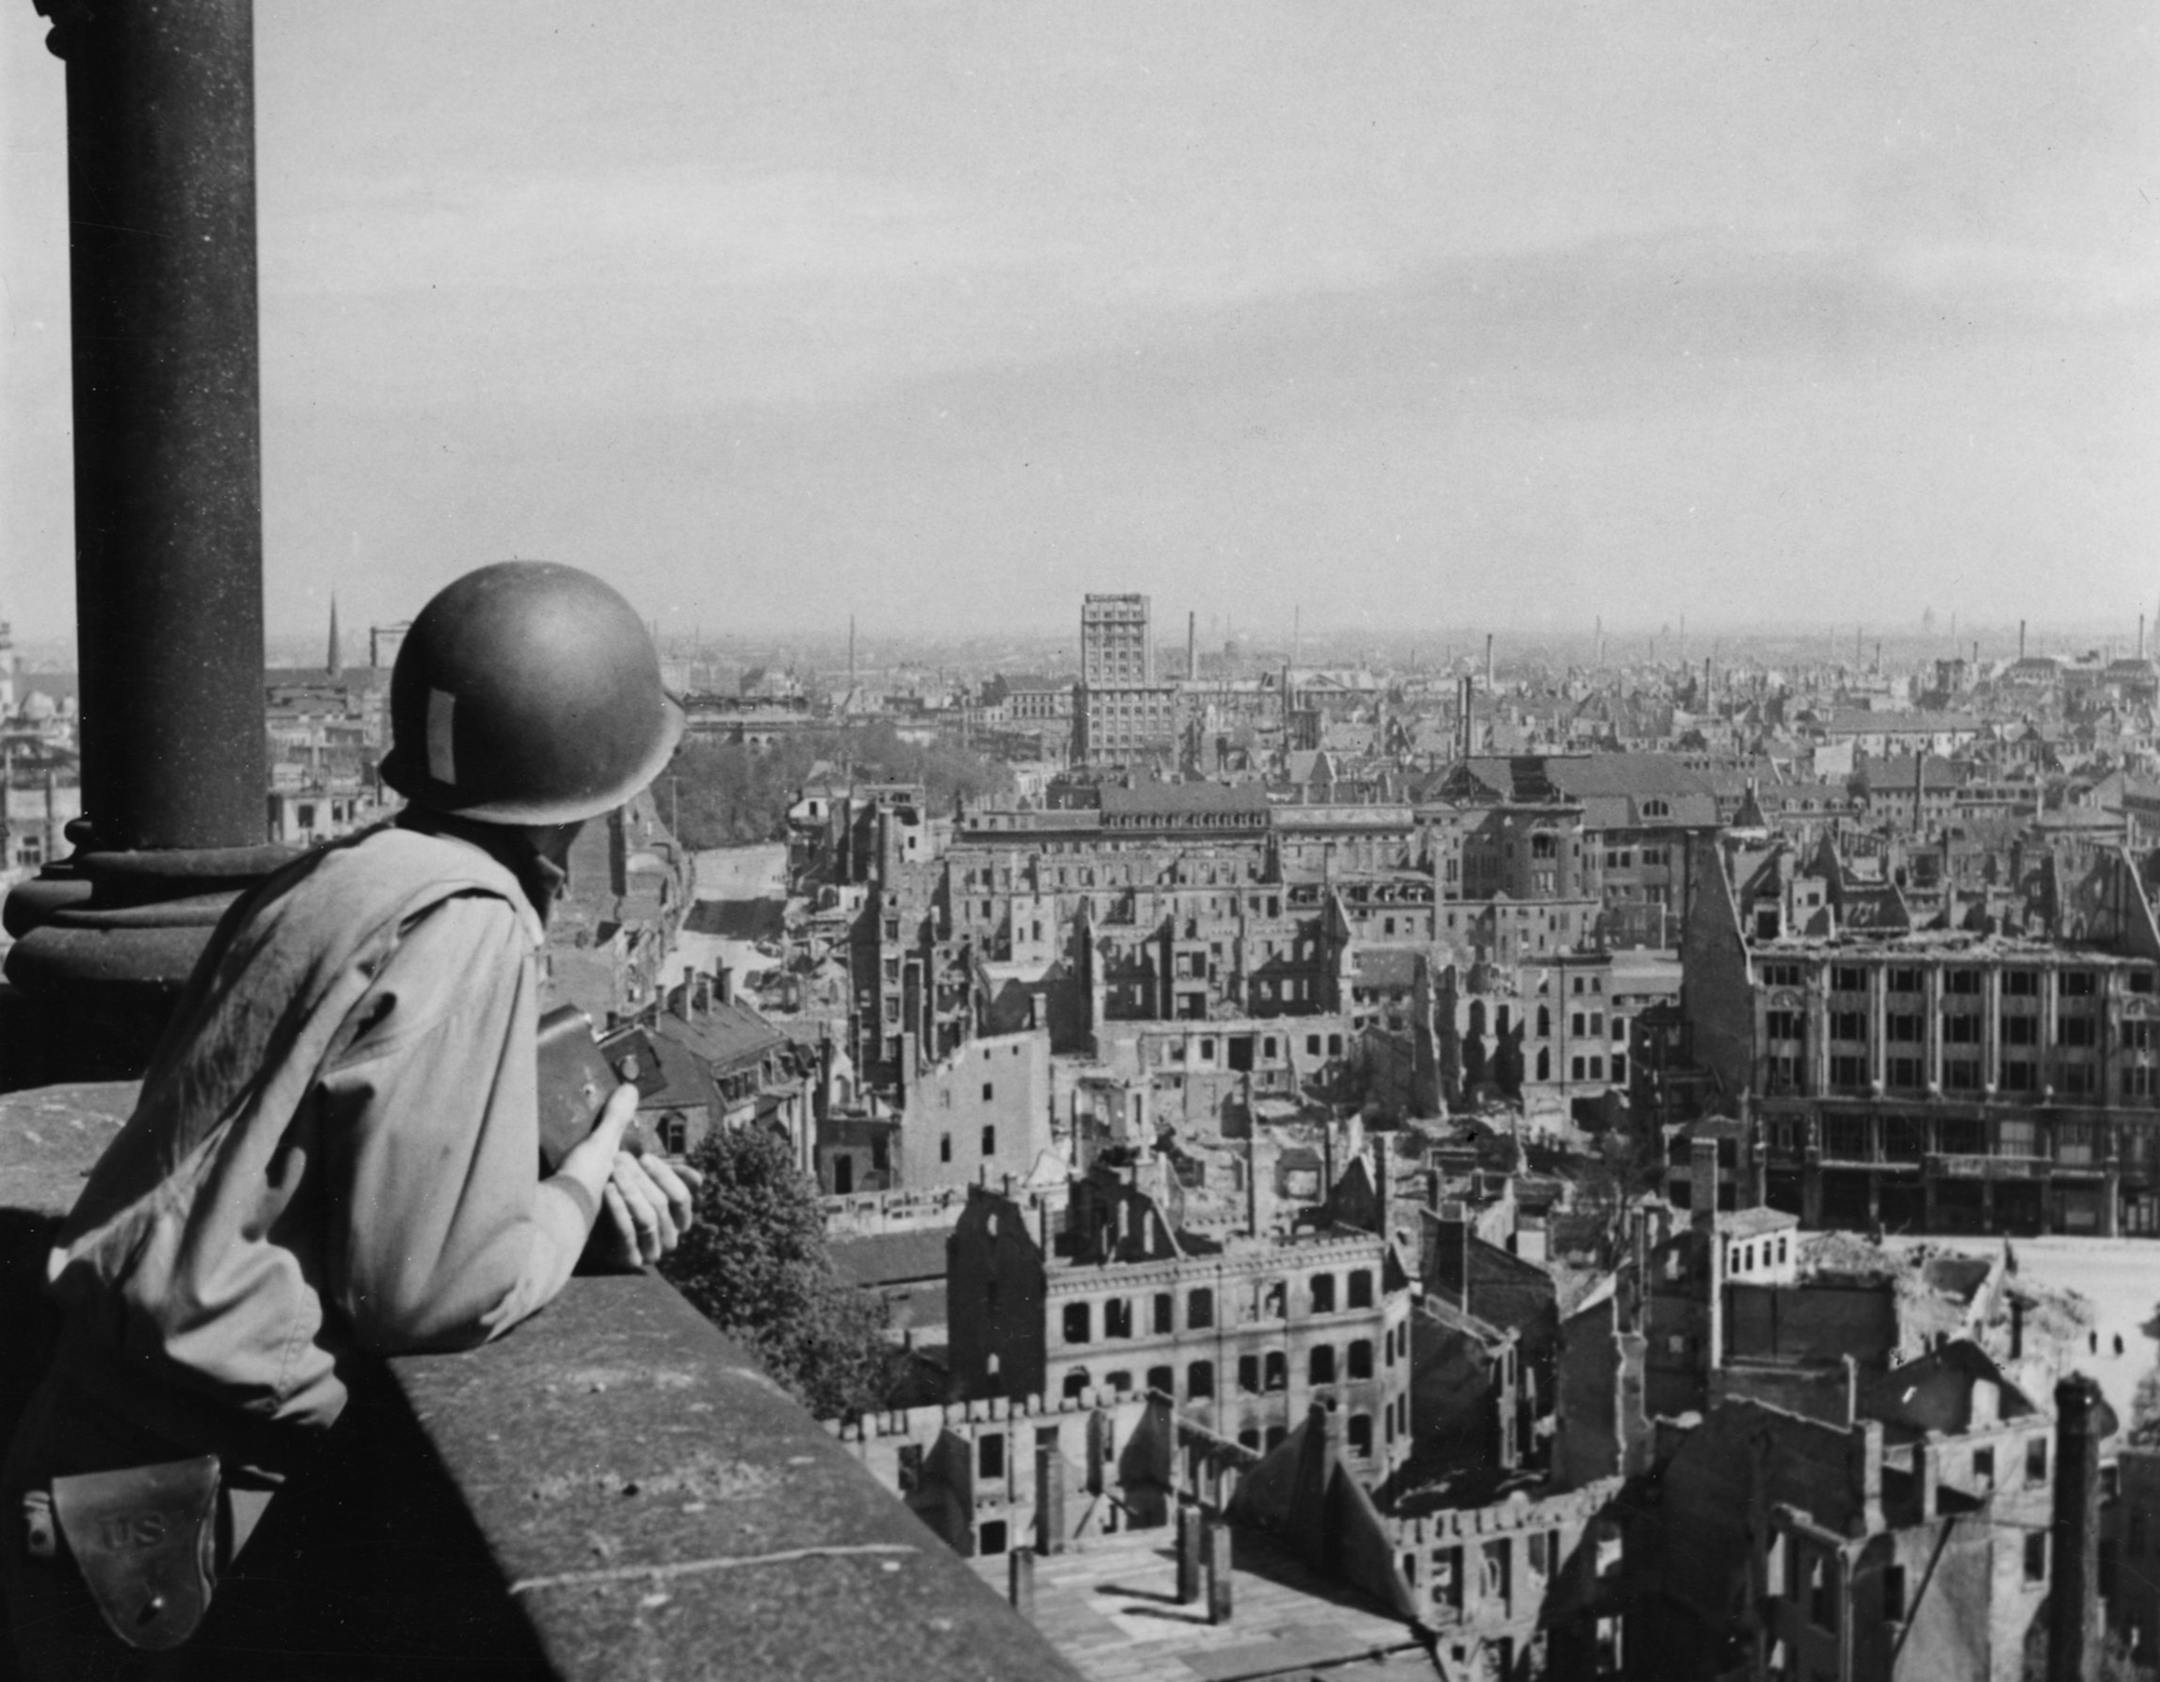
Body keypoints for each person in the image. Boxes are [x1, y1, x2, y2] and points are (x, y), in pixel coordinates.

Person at [3, 561, 696, 1677]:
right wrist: (578, 1182)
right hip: (185, 1498)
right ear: (594, 782)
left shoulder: (342, 870)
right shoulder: (470, 917)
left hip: (97, 1440)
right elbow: (432, 1290)